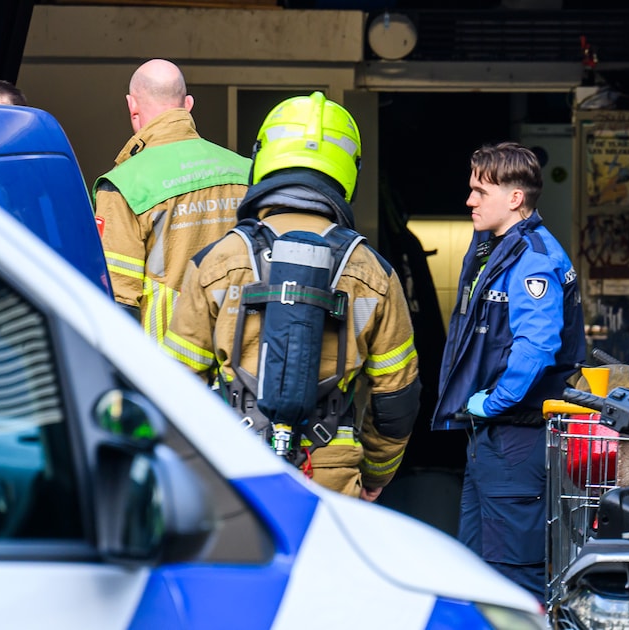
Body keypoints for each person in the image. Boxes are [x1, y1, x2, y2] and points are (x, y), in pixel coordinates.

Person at [163, 92, 420, 501]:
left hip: (234, 467)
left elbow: (177, 385)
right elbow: (396, 398)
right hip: (330, 474)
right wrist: (374, 473)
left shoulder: (217, 260)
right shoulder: (374, 272)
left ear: (263, 156)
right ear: (348, 170)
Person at [431, 142, 585, 600]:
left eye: (481, 191)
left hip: (517, 439)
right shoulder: (500, 251)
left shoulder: (533, 258)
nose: (470, 200)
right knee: (478, 572)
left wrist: (495, 400)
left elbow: (537, 348)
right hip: (493, 440)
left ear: (515, 198)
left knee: (513, 580)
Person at [93, 59, 250, 344]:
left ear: (132, 105)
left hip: (168, 371)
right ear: (188, 104)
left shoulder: (125, 184)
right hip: (239, 367)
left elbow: (119, 299)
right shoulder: (246, 172)